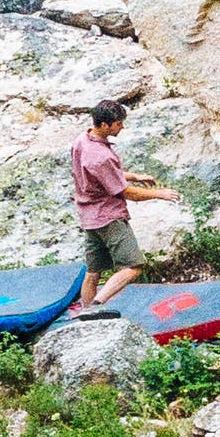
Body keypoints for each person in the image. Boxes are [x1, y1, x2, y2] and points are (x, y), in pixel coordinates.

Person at [67, 94, 139, 297]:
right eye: (118, 123)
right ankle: (98, 305)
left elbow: (98, 175)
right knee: (132, 266)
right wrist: (160, 194)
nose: (121, 127)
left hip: (90, 218)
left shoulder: (80, 141)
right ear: (106, 125)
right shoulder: (102, 155)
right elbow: (126, 192)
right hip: (109, 218)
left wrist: (134, 175)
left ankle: (87, 316)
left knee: (93, 273)